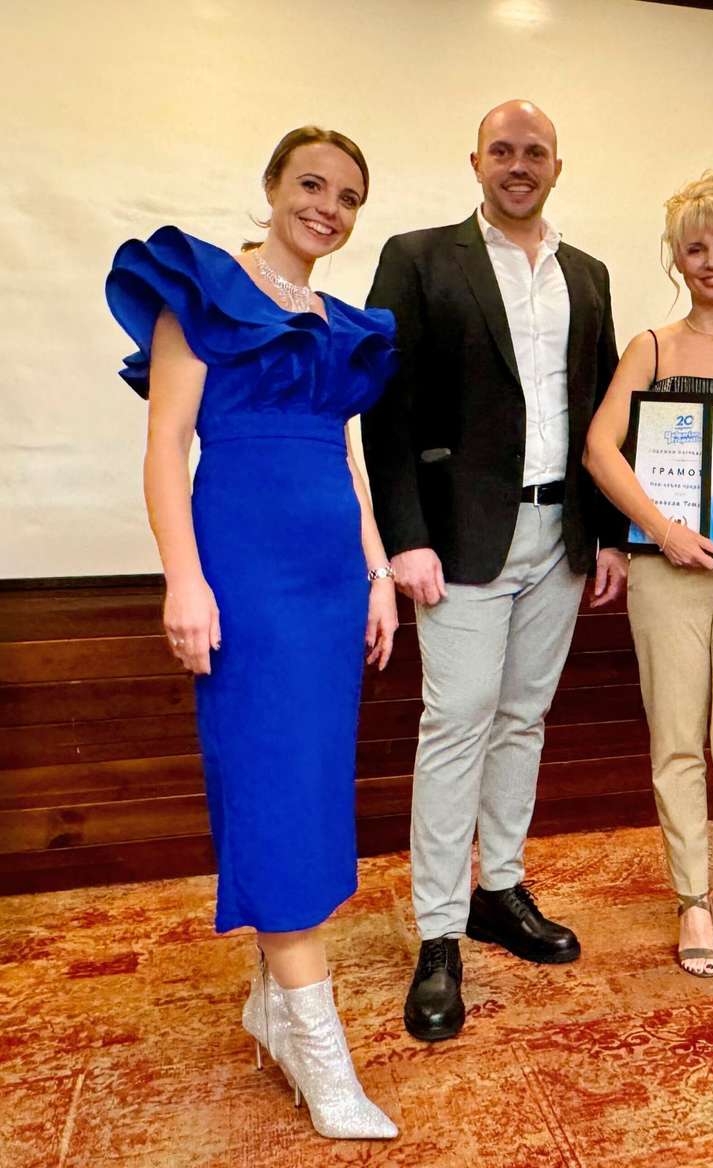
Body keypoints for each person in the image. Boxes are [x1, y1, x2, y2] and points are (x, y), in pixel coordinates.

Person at [104, 127, 400, 1138]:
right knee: (274, 792)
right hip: (245, 580)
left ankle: (273, 1003)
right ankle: (320, 1050)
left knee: (308, 787)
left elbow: (349, 462)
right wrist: (184, 579)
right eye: (311, 184)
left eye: (348, 197)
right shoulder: (203, 292)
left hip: (330, 586)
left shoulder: (337, 324)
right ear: (271, 187)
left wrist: (377, 573)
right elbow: (164, 449)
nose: (328, 207)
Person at [363, 100, 627, 1041]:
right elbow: (386, 411)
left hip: (561, 535)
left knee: (523, 719)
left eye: (536, 152)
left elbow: (602, 413)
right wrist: (404, 537)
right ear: (475, 161)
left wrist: (608, 537)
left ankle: (499, 890)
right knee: (456, 726)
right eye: (503, 151)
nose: (519, 165)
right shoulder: (418, 258)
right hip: (459, 541)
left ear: (558, 166)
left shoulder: (587, 274)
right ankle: (438, 934)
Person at [584, 172, 713, 978]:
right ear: (676, 257)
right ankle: (690, 902)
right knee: (676, 738)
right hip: (665, 570)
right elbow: (600, 448)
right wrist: (664, 530)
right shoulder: (652, 347)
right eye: (696, 247)